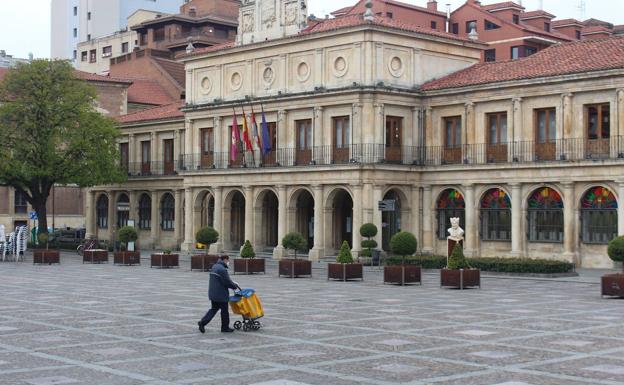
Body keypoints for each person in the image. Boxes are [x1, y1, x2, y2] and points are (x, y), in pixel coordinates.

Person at [198, 255, 241, 333]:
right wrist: (234, 286)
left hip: (213, 293)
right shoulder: (222, 269)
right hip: (221, 294)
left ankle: (202, 322)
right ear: (225, 260)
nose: (228, 262)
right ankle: (225, 328)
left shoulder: (215, 266)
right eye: (228, 261)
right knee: (224, 311)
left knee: (213, 309)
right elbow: (227, 282)